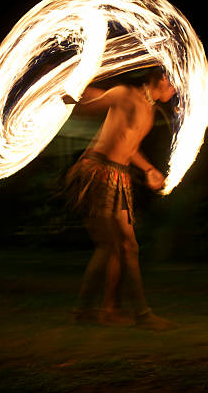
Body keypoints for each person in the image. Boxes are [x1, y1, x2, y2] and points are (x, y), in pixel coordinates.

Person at [61, 67, 175, 330]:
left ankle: (99, 310)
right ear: (161, 78)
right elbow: (90, 104)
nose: (175, 89)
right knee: (118, 246)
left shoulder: (149, 110)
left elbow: (130, 146)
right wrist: (70, 94)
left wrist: (148, 169)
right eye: (173, 83)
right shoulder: (125, 94)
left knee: (115, 247)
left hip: (119, 176)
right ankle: (140, 314)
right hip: (99, 171)